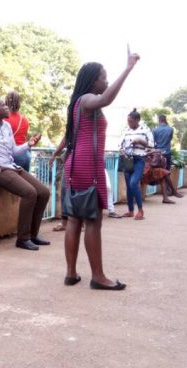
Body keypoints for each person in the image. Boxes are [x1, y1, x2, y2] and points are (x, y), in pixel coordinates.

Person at [63, 46, 139, 290]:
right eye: (103, 77)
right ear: (92, 81)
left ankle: (71, 273)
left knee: (75, 219)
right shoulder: (87, 99)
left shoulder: (77, 103)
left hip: (75, 164)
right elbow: (106, 98)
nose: (106, 82)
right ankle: (98, 277)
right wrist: (128, 68)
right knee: (93, 221)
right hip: (88, 165)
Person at [0, 97, 48, 251]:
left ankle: (33, 235)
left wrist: (28, 144)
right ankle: (23, 239)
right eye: (3, 105)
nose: (7, 107)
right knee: (29, 193)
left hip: (11, 166)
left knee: (44, 192)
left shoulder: (6, 126)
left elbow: (14, 151)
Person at [119, 108, 152, 220]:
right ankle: (130, 211)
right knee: (129, 186)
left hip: (139, 159)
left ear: (137, 120)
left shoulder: (145, 130)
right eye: (128, 121)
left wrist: (140, 141)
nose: (129, 123)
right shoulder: (125, 130)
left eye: (131, 121)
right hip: (128, 160)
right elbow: (120, 144)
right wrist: (122, 150)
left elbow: (151, 145)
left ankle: (141, 211)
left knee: (133, 183)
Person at [5, 91, 32, 172]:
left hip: (14, 155)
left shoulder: (4, 119)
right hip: (26, 155)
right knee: (24, 179)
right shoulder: (24, 120)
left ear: (6, 101)